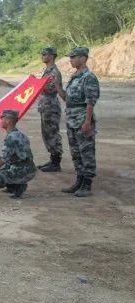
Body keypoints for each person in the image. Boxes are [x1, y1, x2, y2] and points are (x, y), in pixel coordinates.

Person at [55, 47, 100, 197]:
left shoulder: (88, 77)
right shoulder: (74, 76)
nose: (71, 60)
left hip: (82, 120)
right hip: (72, 120)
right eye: (70, 57)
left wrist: (87, 121)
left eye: (73, 57)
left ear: (83, 58)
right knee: (76, 152)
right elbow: (67, 99)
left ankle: (87, 184)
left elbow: (90, 101)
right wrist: (57, 86)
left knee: (86, 152)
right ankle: (79, 180)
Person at [0, 109, 37, 198]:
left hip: (22, 172)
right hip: (29, 169)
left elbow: (3, 160)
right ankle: (12, 186)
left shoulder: (12, 137)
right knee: (6, 167)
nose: (0, 121)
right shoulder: (20, 134)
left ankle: (18, 185)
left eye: (2, 118)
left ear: (8, 121)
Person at [36, 47, 64, 172]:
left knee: (52, 133)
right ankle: (52, 159)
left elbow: (51, 89)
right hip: (45, 105)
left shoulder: (54, 72)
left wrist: (36, 85)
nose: (42, 56)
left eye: (45, 54)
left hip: (51, 106)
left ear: (52, 56)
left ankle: (56, 162)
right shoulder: (46, 70)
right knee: (46, 133)